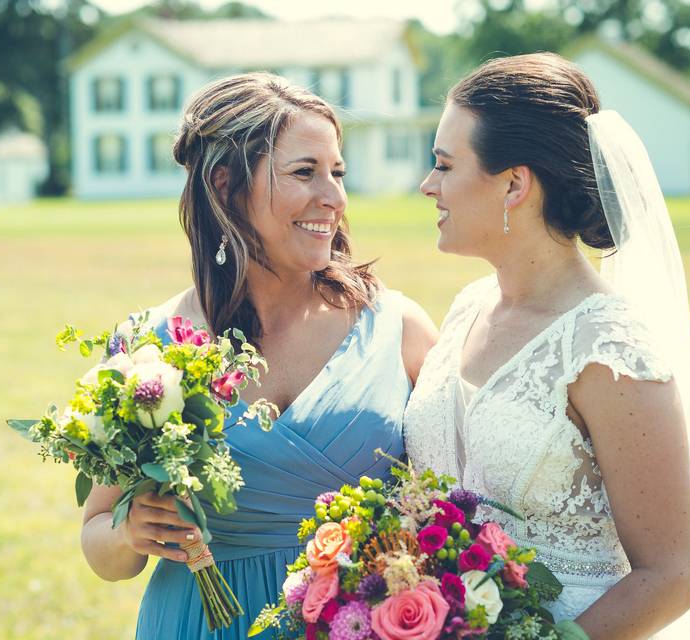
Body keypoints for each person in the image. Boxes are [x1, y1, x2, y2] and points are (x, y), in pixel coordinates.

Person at [79, 73, 438, 639]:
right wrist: (127, 532)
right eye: (305, 172)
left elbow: (456, 507)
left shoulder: (398, 329)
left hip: (363, 624)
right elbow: (100, 543)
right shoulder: (147, 351)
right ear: (225, 187)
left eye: (337, 173)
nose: (336, 199)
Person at [403, 53, 690, 639]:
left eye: (444, 165)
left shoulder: (611, 351)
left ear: (515, 184)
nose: (428, 186)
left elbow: (671, 576)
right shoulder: (467, 307)